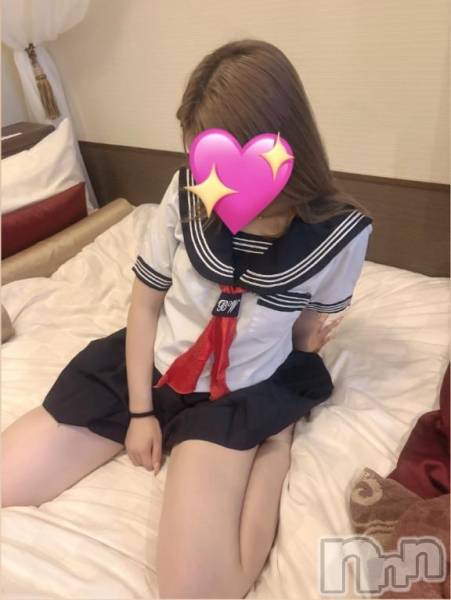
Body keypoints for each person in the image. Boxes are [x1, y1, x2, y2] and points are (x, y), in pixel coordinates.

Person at [1, 39, 373, 598]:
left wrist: (280, 404)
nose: (211, 175)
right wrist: (140, 412)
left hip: (238, 395)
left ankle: (275, 442)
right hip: (155, 366)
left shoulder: (340, 235)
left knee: (196, 592)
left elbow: (305, 331)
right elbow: (146, 304)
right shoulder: (186, 193)